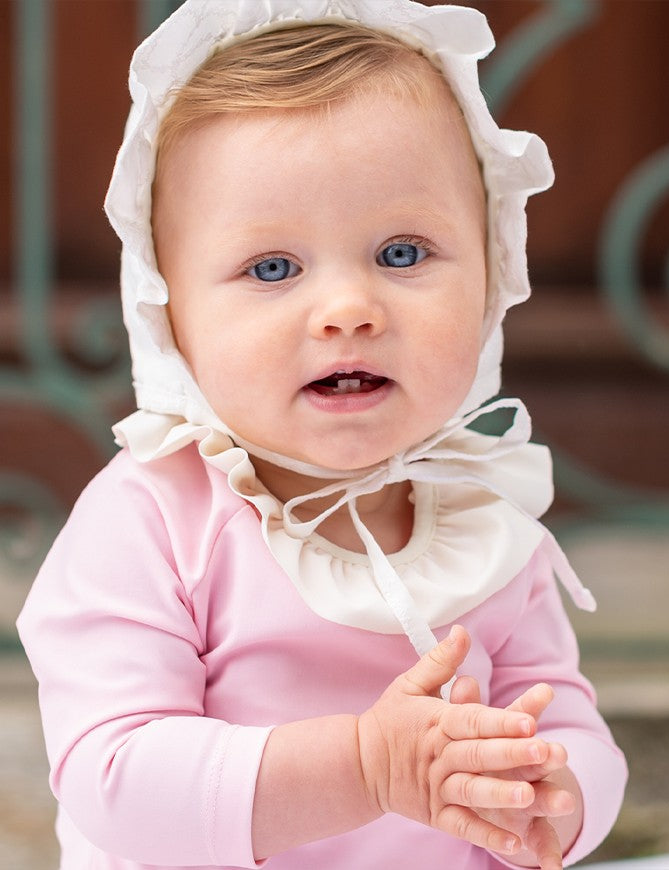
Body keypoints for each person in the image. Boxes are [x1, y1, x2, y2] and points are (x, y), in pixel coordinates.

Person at [17, 2, 627, 869]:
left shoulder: (481, 511)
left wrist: (562, 799)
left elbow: (560, 711)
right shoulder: (152, 520)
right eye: (273, 268)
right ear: (169, 314)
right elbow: (114, 776)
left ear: (493, 268)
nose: (348, 310)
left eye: (404, 253)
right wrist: (365, 769)